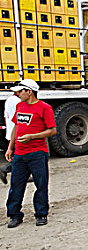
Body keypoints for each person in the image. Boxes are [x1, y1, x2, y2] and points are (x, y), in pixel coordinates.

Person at [5, 79, 57, 228]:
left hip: (37, 153)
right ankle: (14, 215)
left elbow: (52, 130)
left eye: (20, 91)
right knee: (16, 185)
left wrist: (32, 137)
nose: (17, 94)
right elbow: (16, 126)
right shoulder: (20, 106)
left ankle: (41, 214)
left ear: (29, 92)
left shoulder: (44, 108)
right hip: (20, 154)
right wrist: (10, 147)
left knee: (40, 184)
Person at [0, 94, 20, 184]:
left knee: (19, 155)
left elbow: (6, 116)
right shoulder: (19, 102)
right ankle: (4, 169)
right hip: (17, 133)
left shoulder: (8, 100)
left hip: (10, 133)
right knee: (21, 157)